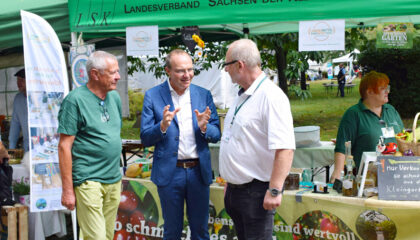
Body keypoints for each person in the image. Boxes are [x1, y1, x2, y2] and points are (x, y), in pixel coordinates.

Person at [219, 39, 295, 240]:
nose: (225, 71)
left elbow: (285, 148)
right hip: (236, 191)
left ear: (239, 65)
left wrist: (275, 189)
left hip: (256, 192)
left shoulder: (271, 97)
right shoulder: (243, 94)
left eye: (226, 65)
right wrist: (231, 178)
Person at [141, 49, 220, 239]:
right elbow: (145, 138)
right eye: (180, 71)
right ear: (168, 70)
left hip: (198, 173)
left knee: (201, 230)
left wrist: (204, 127)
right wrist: (162, 126)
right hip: (170, 173)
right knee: (172, 230)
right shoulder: (153, 96)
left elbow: (216, 133)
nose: (187, 75)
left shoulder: (203, 95)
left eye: (190, 70)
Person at [57, 51, 122, 240]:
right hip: (88, 179)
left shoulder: (115, 98)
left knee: (107, 236)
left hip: (113, 179)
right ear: (95, 74)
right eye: (113, 73)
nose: (118, 76)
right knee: (97, 238)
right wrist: (68, 190)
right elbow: (64, 147)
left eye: (117, 71)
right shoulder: (74, 100)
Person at [330, 71, 404, 182]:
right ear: (370, 92)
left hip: (400, 176)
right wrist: (336, 177)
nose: (387, 91)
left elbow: (404, 141)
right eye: (383, 88)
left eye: (387, 87)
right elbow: (342, 149)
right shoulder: (353, 114)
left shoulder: (391, 110)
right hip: (370, 180)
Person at [8, 69, 29, 152]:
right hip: (26, 148)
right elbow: (15, 123)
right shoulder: (18, 98)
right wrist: (11, 147)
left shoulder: (41, 98)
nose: (18, 83)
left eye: (22, 80)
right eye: (18, 80)